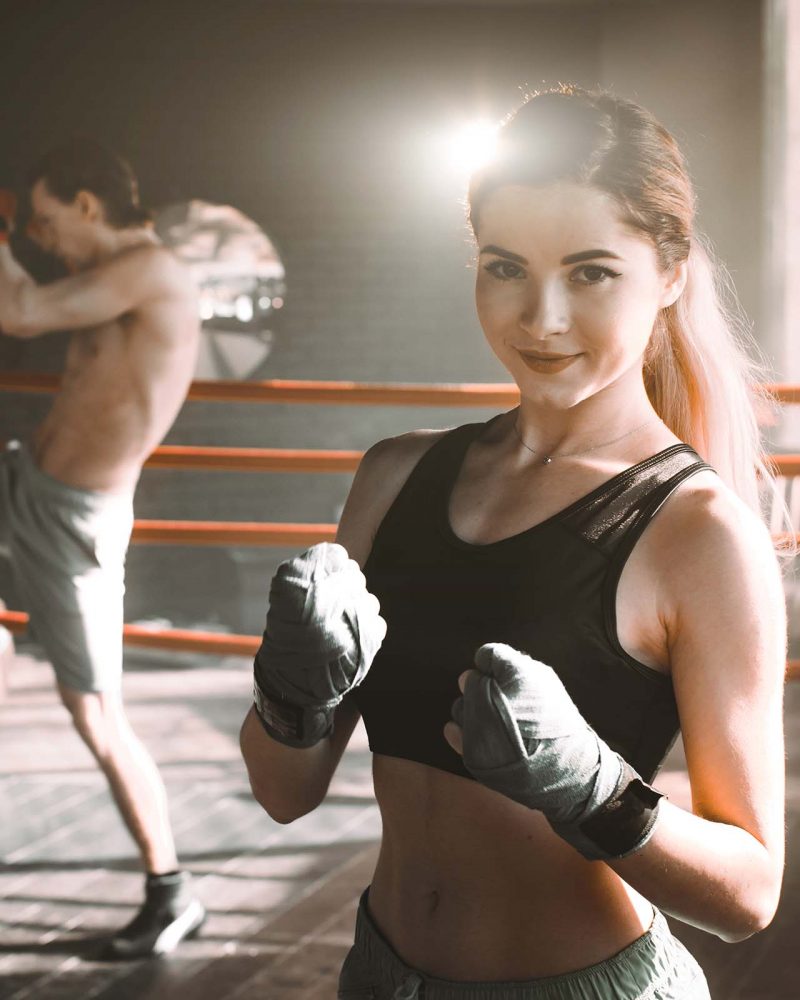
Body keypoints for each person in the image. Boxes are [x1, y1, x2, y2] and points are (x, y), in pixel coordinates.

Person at [240, 87, 788, 999]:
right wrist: (291, 694)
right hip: (377, 973)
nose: (541, 317)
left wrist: (593, 789)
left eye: (591, 272)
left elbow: (750, 894)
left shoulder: (697, 533)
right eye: (505, 267)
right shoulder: (394, 476)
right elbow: (285, 793)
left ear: (672, 273)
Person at [0, 137, 206, 959]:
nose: (41, 241)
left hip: (74, 521)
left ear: (90, 206)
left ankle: (172, 890)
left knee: (95, 714)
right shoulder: (111, 279)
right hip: (28, 486)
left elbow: (17, 313)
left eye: (46, 222)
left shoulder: (152, 271)